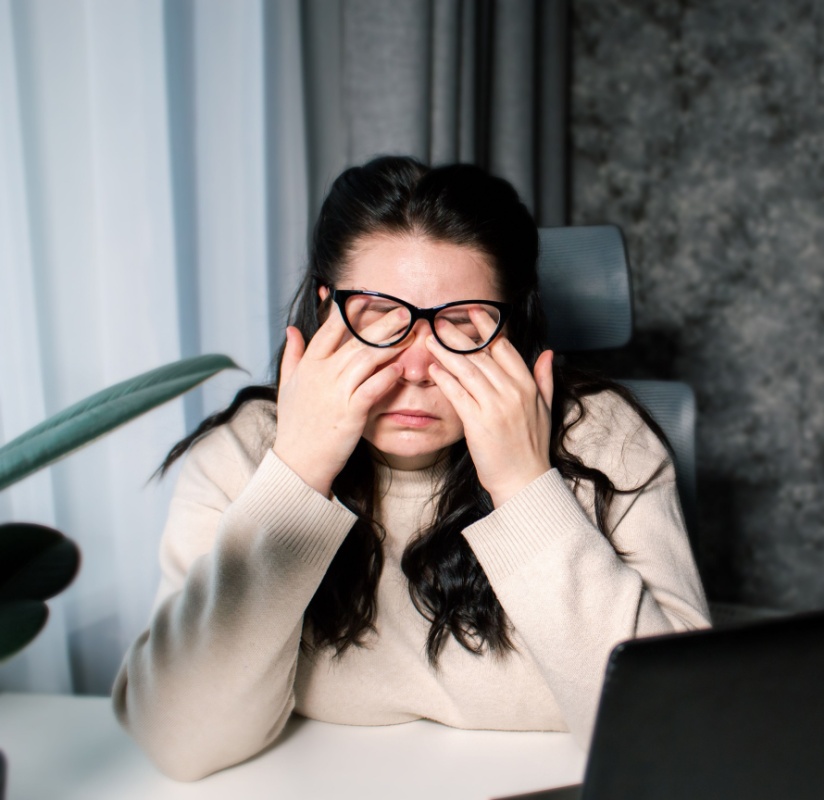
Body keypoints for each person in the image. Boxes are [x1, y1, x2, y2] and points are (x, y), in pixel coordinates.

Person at [111, 155, 711, 781]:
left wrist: (525, 487)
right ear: (325, 312)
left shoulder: (607, 441)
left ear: (515, 333)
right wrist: (297, 476)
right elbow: (181, 741)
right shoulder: (243, 454)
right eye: (379, 316)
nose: (417, 367)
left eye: (460, 323)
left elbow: (677, 733)